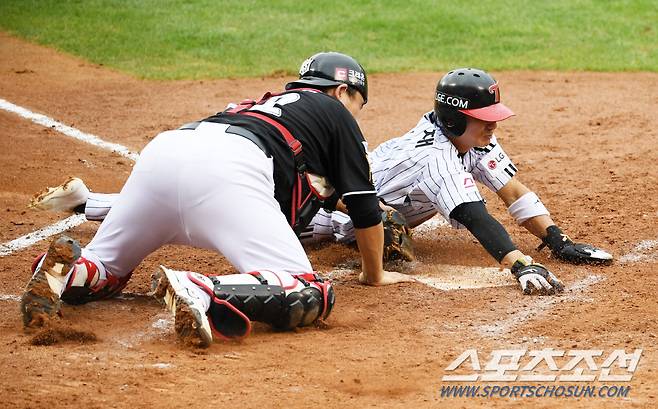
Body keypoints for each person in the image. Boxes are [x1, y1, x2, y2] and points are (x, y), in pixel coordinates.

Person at [31, 67, 613, 296]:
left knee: (172, 212)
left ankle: (76, 256)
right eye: (485, 119)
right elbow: (472, 214)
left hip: (177, 151)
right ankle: (200, 287)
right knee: (298, 273)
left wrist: (555, 241)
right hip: (319, 210)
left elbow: (509, 192)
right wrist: (517, 263)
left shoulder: (476, 142)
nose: (492, 129)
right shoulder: (430, 154)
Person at [20, 51, 414, 348]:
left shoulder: (258, 105)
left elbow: (315, 189)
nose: (355, 116)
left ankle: (62, 273)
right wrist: (373, 274)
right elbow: (364, 203)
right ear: (343, 90)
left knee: (104, 272)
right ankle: (202, 290)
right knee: (306, 289)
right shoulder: (334, 111)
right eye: (357, 105)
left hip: (165, 154)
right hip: (229, 174)